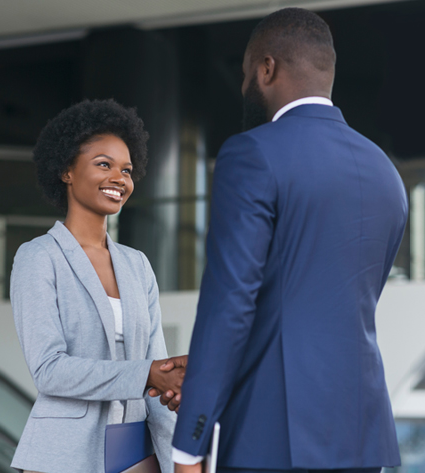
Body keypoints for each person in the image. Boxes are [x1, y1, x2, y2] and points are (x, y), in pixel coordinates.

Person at [164, 8, 407, 473]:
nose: (242, 89)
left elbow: (230, 303)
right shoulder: (385, 173)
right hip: (362, 438)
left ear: (266, 68)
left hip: (271, 436)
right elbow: (325, 300)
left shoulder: (251, 153)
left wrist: (189, 444)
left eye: (244, 75)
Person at [9, 99, 183, 473]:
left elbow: (156, 377)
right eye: (104, 164)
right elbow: (49, 370)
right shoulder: (38, 257)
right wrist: (147, 373)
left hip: (135, 450)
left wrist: (180, 462)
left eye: (127, 169)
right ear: (66, 171)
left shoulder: (137, 265)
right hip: (64, 454)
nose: (119, 179)